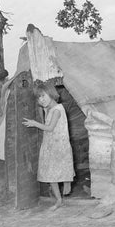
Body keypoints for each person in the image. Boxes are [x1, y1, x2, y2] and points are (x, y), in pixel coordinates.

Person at [22, 83, 75, 211]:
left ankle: (67, 182)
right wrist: (41, 107)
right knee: (51, 174)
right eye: (39, 98)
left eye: (43, 96)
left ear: (51, 94)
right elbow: (43, 111)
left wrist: (35, 123)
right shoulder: (48, 109)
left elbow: (50, 128)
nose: (41, 100)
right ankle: (59, 200)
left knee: (62, 167)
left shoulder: (57, 110)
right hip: (50, 144)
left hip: (59, 145)